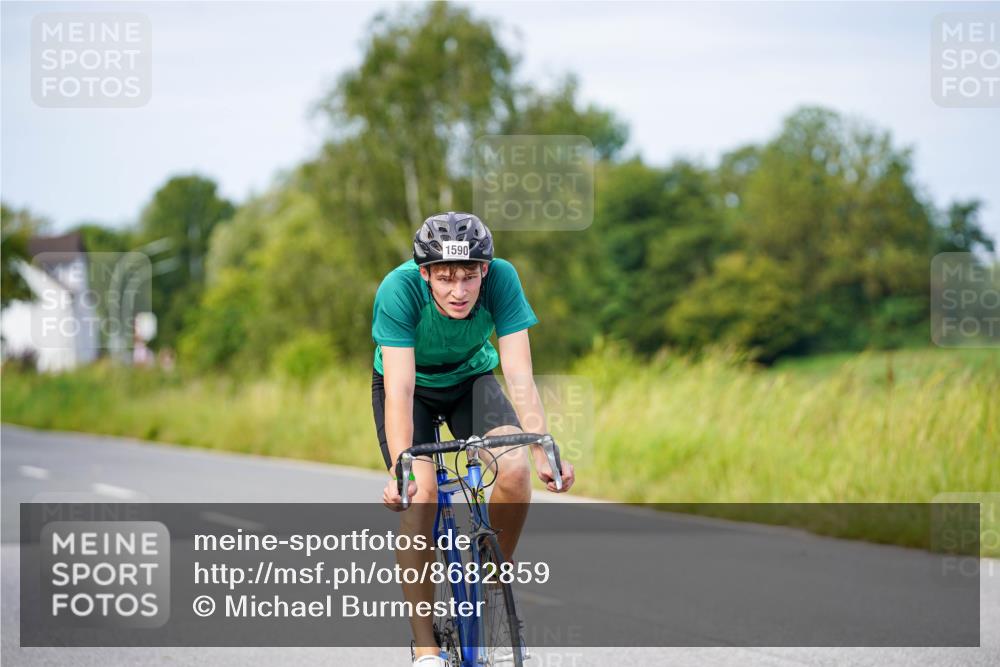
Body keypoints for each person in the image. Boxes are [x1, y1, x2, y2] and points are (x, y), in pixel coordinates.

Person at [371, 211, 576, 666]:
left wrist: (542, 446)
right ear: (425, 274)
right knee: (422, 495)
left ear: (485, 268)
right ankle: (425, 647)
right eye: (445, 278)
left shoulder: (503, 278)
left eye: (468, 277)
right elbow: (400, 390)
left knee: (515, 470)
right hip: (411, 389)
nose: (458, 291)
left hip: (471, 381)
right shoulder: (398, 289)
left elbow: (519, 372)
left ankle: (492, 573)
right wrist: (402, 472)